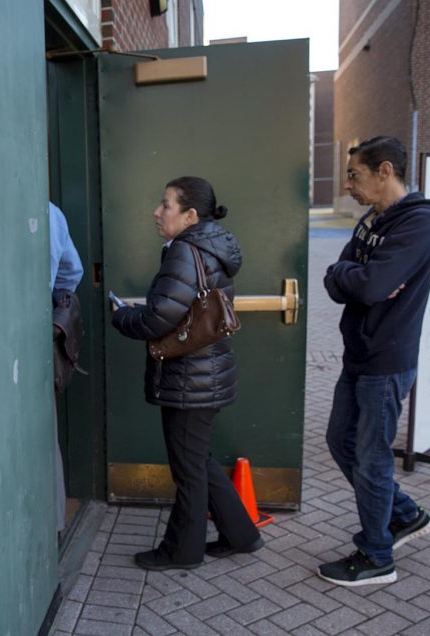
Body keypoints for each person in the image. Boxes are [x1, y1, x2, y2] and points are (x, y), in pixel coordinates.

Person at [111, 177, 262, 570]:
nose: (157, 212)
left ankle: (182, 551)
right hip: (204, 374)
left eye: (166, 205)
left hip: (189, 380)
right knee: (198, 461)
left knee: (188, 470)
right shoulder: (212, 247)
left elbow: (159, 318)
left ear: (190, 215)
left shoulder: (184, 251)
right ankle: (242, 535)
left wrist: (121, 316)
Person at [320, 136, 430, 586]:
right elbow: (336, 278)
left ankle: (376, 557)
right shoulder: (372, 219)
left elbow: (373, 287)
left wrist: (361, 277)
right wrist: (355, 275)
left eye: (354, 175)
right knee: (341, 441)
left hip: (387, 360)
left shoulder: (421, 222)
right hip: (357, 353)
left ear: (385, 171)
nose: (348, 184)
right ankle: (405, 515)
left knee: (372, 459)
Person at [49, 202, 83, 534]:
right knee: (45, 434)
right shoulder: (50, 212)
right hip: (38, 343)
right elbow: (72, 272)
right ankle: (55, 524)